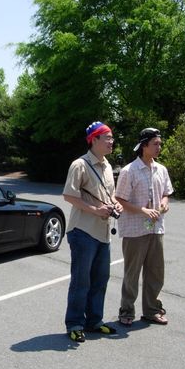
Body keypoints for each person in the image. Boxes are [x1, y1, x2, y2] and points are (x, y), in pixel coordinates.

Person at [63, 121, 123, 342]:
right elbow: (69, 196)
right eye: (107, 137)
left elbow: (111, 195)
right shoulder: (79, 165)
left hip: (103, 232)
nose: (111, 141)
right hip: (83, 231)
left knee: (100, 279)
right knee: (82, 281)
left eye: (111, 137)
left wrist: (116, 205)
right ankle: (75, 324)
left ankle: (94, 321)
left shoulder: (107, 166)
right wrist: (95, 210)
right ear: (94, 140)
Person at [114, 128, 173, 326]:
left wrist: (164, 203)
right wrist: (142, 210)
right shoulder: (129, 171)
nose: (159, 147)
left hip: (156, 229)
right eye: (155, 143)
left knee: (155, 272)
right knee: (132, 273)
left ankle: (151, 310)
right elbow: (119, 199)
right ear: (144, 146)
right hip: (134, 230)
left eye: (160, 144)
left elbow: (166, 192)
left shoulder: (161, 170)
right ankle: (127, 310)